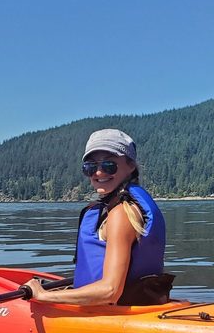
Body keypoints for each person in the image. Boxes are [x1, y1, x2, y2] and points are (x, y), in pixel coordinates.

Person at [24, 128, 170, 306]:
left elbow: (110, 291)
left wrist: (42, 295)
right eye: (90, 167)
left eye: (109, 165)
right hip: (134, 307)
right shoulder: (118, 209)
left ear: (131, 165)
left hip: (112, 315)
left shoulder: (121, 214)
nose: (99, 173)